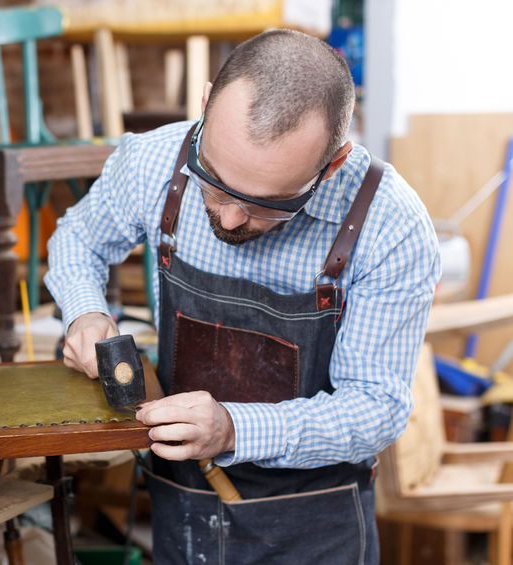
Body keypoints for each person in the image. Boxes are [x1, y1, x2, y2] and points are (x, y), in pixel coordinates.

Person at [44, 29, 440, 564]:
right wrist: (84, 313)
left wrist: (233, 428)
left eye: (267, 204)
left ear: (333, 163)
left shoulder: (389, 225)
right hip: (183, 503)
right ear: (206, 104)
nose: (229, 219)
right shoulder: (153, 161)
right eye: (212, 180)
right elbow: (78, 239)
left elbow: (376, 408)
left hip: (316, 525)